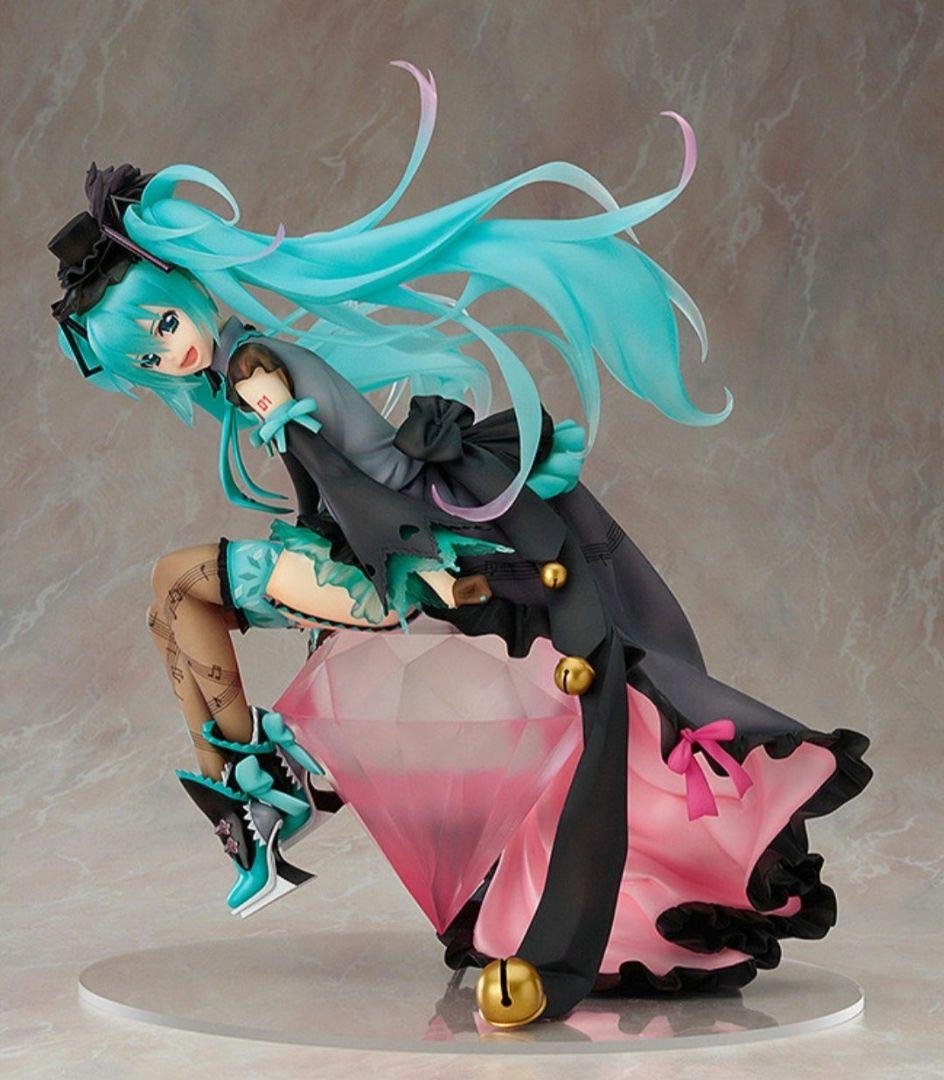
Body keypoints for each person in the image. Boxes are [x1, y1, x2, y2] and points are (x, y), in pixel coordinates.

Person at [48, 62, 871, 1026]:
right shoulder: (243, 357)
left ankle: (261, 800)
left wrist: (398, 567)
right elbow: (329, 474)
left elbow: (342, 473)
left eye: (162, 323)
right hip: (385, 544)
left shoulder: (255, 368)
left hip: (393, 564)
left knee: (177, 586)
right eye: (147, 355)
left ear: (186, 284)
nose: (170, 350)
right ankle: (259, 789)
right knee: (176, 599)